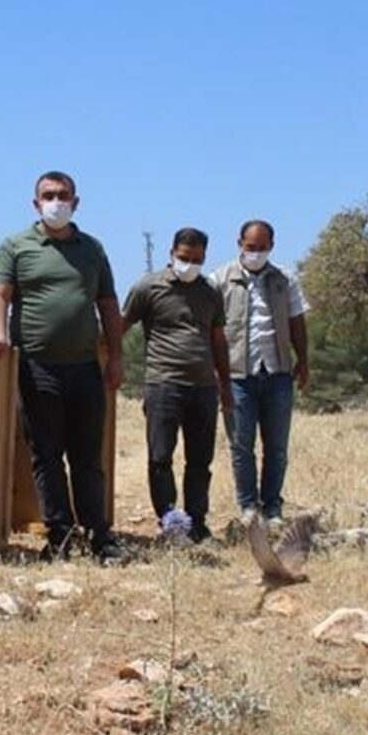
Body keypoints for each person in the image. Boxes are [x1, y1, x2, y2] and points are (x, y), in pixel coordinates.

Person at [0, 171, 127, 564]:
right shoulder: (14, 246)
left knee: (87, 457)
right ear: (36, 203)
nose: (55, 202)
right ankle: (60, 536)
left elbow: (109, 305)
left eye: (63, 195)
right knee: (46, 455)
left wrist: (116, 356)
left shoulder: (92, 248)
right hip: (36, 367)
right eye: (48, 195)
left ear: (76, 202)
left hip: (85, 367)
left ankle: (99, 536)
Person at [121, 228, 233, 544]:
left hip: (204, 388)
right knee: (160, 458)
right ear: (172, 253)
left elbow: (218, 339)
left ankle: (197, 523)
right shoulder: (148, 287)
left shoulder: (210, 291)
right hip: (163, 384)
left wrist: (225, 384)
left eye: (197, 259)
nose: (190, 264)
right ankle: (171, 523)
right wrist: (105, 356)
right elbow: (122, 325)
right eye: (184, 257)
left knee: (200, 461)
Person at [210, 219, 310, 528]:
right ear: (239, 243)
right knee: (242, 447)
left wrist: (303, 359)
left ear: (272, 246)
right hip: (236, 376)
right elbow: (210, 329)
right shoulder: (219, 280)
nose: (256, 253)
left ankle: (273, 507)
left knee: (276, 447)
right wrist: (215, 372)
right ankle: (248, 507)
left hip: (277, 373)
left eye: (262, 247)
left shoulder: (284, 279)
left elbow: (296, 321)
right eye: (250, 247)